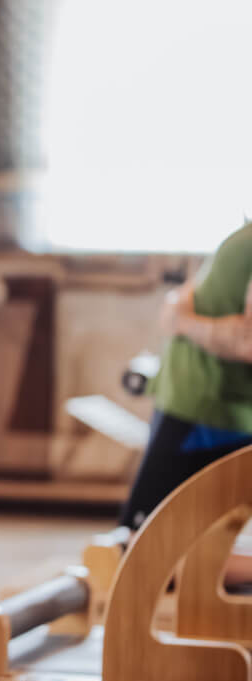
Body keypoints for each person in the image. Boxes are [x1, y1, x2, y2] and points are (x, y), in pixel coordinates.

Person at [119, 221, 252, 533]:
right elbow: (184, 295)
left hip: (210, 409)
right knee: (149, 539)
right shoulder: (243, 240)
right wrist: (181, 315)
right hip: (199, 403)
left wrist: (182, 319)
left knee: (147, 546)